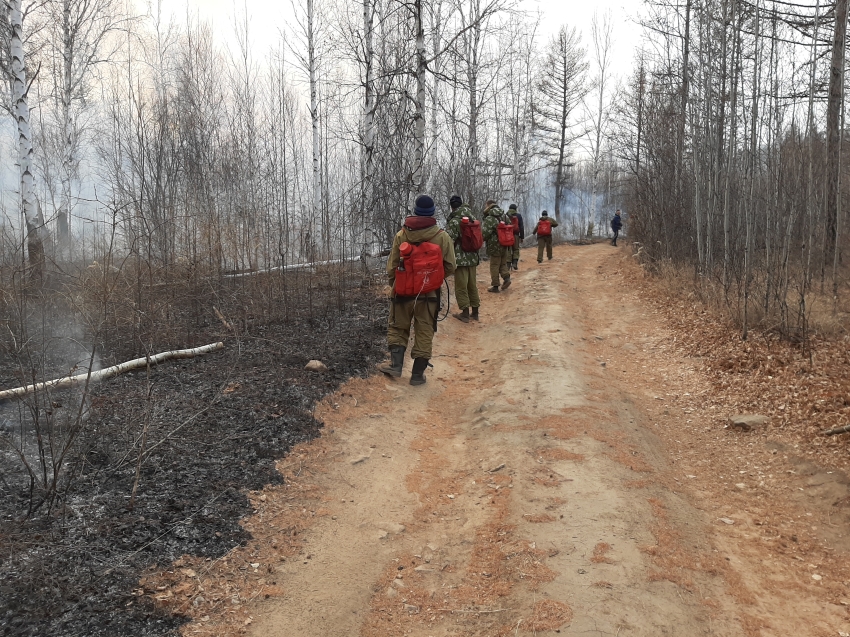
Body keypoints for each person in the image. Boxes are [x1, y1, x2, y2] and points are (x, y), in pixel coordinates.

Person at [378, 194, 456, 385]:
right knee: (425, 330)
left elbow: (392, 266)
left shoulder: (402, 235)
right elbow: (451, 266)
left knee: (398, 326)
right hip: (428, 294)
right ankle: (417, 375)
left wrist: (396, 285)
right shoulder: (442, 237)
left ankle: (396, 366)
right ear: (432, 213)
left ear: (415, 211)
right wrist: (432, 280)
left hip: (402, 292)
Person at [445, 195, 481, 323]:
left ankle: (465, 314)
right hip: (473, 257)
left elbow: (448, 240)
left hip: (460, 258)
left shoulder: (455, 221)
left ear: (452, 206)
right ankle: (475, 312)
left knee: (461, 286)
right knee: (472, 285)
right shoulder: (472, 218)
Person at [481, 199, 512, 293]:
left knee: (494, 265)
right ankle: (507, 279)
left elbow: (485, 233)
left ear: (488, 206)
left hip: (494, 245)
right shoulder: (504, 215)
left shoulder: (490, 218)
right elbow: (509, 226)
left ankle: (495, 286)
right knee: (502, 263)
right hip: (505, 243)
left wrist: (482, 239)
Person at [507, 203, 524, 270]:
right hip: (516, 235)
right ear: (515, 209)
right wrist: (522, 237)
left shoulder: (506, 215)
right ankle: (514, 263)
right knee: (516, 249)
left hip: (507, 235)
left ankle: (508, 265)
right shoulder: (518, 216)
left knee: (508, 249)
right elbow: (521, 227)